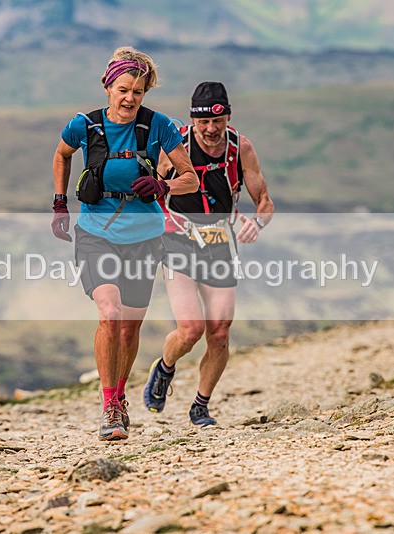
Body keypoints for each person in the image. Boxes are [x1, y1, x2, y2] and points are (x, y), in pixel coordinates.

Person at [51, 47, 197, 441]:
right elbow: (62, 155)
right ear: (107, 87)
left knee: (130, 330)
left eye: (138, 91)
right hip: (96, 233)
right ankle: (110, 405)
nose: (130, 98)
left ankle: (120, 397)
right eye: (123, 89)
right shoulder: (84, 125)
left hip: (144, 238)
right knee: (110, 313)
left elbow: (191, 178)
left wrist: (164, 184)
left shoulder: (158, 126)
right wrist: (60, 203)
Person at [143, 81, 274, 427]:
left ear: (228, 118)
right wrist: (165, 221)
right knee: (190, 330)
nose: (211, 130)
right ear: (193, 120)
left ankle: (200, 406)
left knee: (219, 331)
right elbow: (152, 194)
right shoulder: (175, 146)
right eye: (203, 123)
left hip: (219, 243)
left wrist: (256, 225)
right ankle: (164, 368)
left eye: (218, 122)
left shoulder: (240, 148)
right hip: (178, 242)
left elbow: (265, 203)